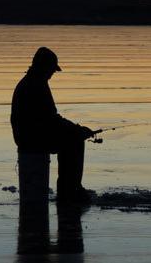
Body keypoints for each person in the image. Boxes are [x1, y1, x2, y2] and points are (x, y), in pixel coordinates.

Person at [11, 47, 94, 203]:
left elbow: (50, 119)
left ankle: (68, 188)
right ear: (44, 67)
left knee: (73, 136)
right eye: (51, 70)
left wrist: (73, 128)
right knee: (75, 140)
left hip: (27, 136)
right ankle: (70, 190)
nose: (52, 74)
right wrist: (77, 130)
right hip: (32, 138)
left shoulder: (31, 82)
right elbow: (51, 120)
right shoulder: (36, 85)